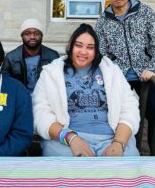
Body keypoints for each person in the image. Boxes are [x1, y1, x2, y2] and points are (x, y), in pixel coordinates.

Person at [32, 24, 140, 157]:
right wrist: (71, 138)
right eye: (79, 45)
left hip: (111, 138)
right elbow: (40, 113)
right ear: (70, 46)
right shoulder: (51, 73)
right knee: (64, 169)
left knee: (127, 167)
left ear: (96, 51)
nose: (83, 52)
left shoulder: (112, 71)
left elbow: (129, 108)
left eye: (90, 47)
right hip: (66, 139)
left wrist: (119, 143)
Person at [95, 0, 155, 154]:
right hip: (118, 77)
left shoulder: (145, 12)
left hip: (145, 74)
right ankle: (126, 151)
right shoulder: (103, 20)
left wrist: (152, 68)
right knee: (119, 116)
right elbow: (101, 52)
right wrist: (110, 73)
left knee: (153, 113)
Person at [1, 18, 59, 94]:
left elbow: (58, 82)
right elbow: (4, 82)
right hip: (19, 98)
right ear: (22, 36)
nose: (32, 37)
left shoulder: (53, 56)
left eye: (36, 33)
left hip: (45, 99)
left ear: (41, 36)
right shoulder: (11, 57)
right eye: (27, 34)